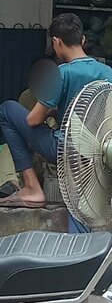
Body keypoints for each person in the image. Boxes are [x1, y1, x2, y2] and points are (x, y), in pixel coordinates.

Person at [0, 15, 112, 212]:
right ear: (83, 40)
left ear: (56, 41)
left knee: (7, 109)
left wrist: (47, 113)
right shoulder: (108, 73)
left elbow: (33, 120)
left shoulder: (62, 73)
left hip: (64, 150)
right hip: (95, 152)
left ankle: (32, 188)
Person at [0, 56, 58, 199]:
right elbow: (18, 133)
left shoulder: (60, 94)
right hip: (30, 158)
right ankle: (10, 184)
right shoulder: (27, 97)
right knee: (7, 147)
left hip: (54, 159)